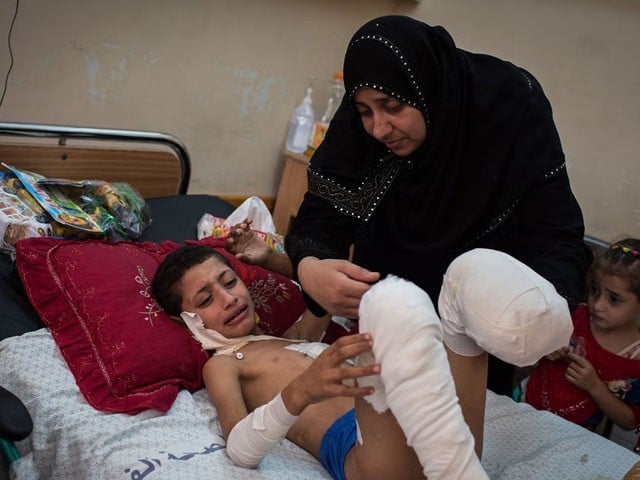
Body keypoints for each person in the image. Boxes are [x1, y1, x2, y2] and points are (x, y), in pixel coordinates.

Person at [284, 15, 590, 395]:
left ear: (427, 88)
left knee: (457, 433)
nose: (379, 128)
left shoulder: (510, 106)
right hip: (389, 312)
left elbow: (555, 232)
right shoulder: (365, 129)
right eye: (365, 111)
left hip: (479, 331)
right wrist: (311, 269)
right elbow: (322, 215)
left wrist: (547, 308)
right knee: (387, 424)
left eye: (392, 105)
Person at [151, 243, 573, 479]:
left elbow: (320, 295)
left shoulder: (290, 339)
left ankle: (547, 326)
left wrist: (275, 258)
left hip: (434, 440)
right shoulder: (224, 364)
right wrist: (300, 391)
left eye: (229, 282)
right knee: (387, 310)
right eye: (206, 300)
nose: (228, 299)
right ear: (185, 320)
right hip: (367, 456)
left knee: (466, 272)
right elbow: (240, 450)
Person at [524, 239, 640, 441]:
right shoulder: (577, 315)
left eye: (614, 299)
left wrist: (594, 385)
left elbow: (629, 421)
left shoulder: (635, 358)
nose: (598, 305)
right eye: (595, 290)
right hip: (525, 406)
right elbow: (529, 348)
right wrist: (547, 346)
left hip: (572, 441)